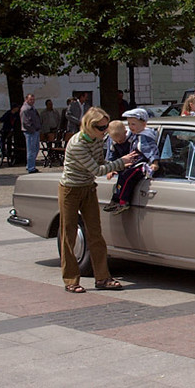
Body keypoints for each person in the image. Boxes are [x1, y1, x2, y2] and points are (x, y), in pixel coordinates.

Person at [58, 107, 139, 293]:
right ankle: (71, 279)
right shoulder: (77, 143)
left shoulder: (96, 140)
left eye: (106, 127)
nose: (105, 132)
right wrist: (122, 162)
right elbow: (97, 170)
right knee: (68, 234)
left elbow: (102, 163)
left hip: (88, 188)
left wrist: (115, 166)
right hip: (70, 189)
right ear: (89, 125)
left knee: (96, 233)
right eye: (101, 128)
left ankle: (102, 278)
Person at [104, 108, 160, 215]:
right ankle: (116, 199)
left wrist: (154, 162)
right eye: (129, 124)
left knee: (127, 177)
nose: (130, 127)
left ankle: (123, 201)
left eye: (133, 124)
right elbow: (110, 155)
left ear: (144, 123)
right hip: (132, 164)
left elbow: (151, 150)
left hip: (141, 165)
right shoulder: (135, 136)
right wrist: (110, 168)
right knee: (122, 176)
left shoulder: (144, 137)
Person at [20, 93, 42, 173]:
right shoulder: (25, 109)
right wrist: (33, 130)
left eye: (33, 100)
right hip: (30, 132)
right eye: (30, 100)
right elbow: (26, 123)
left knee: (36, 149)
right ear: (26, 99)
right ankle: (31, 167)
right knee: (31, 150)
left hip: (35, 131)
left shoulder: (32, 108)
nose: (32, 101)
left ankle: (30, 164)